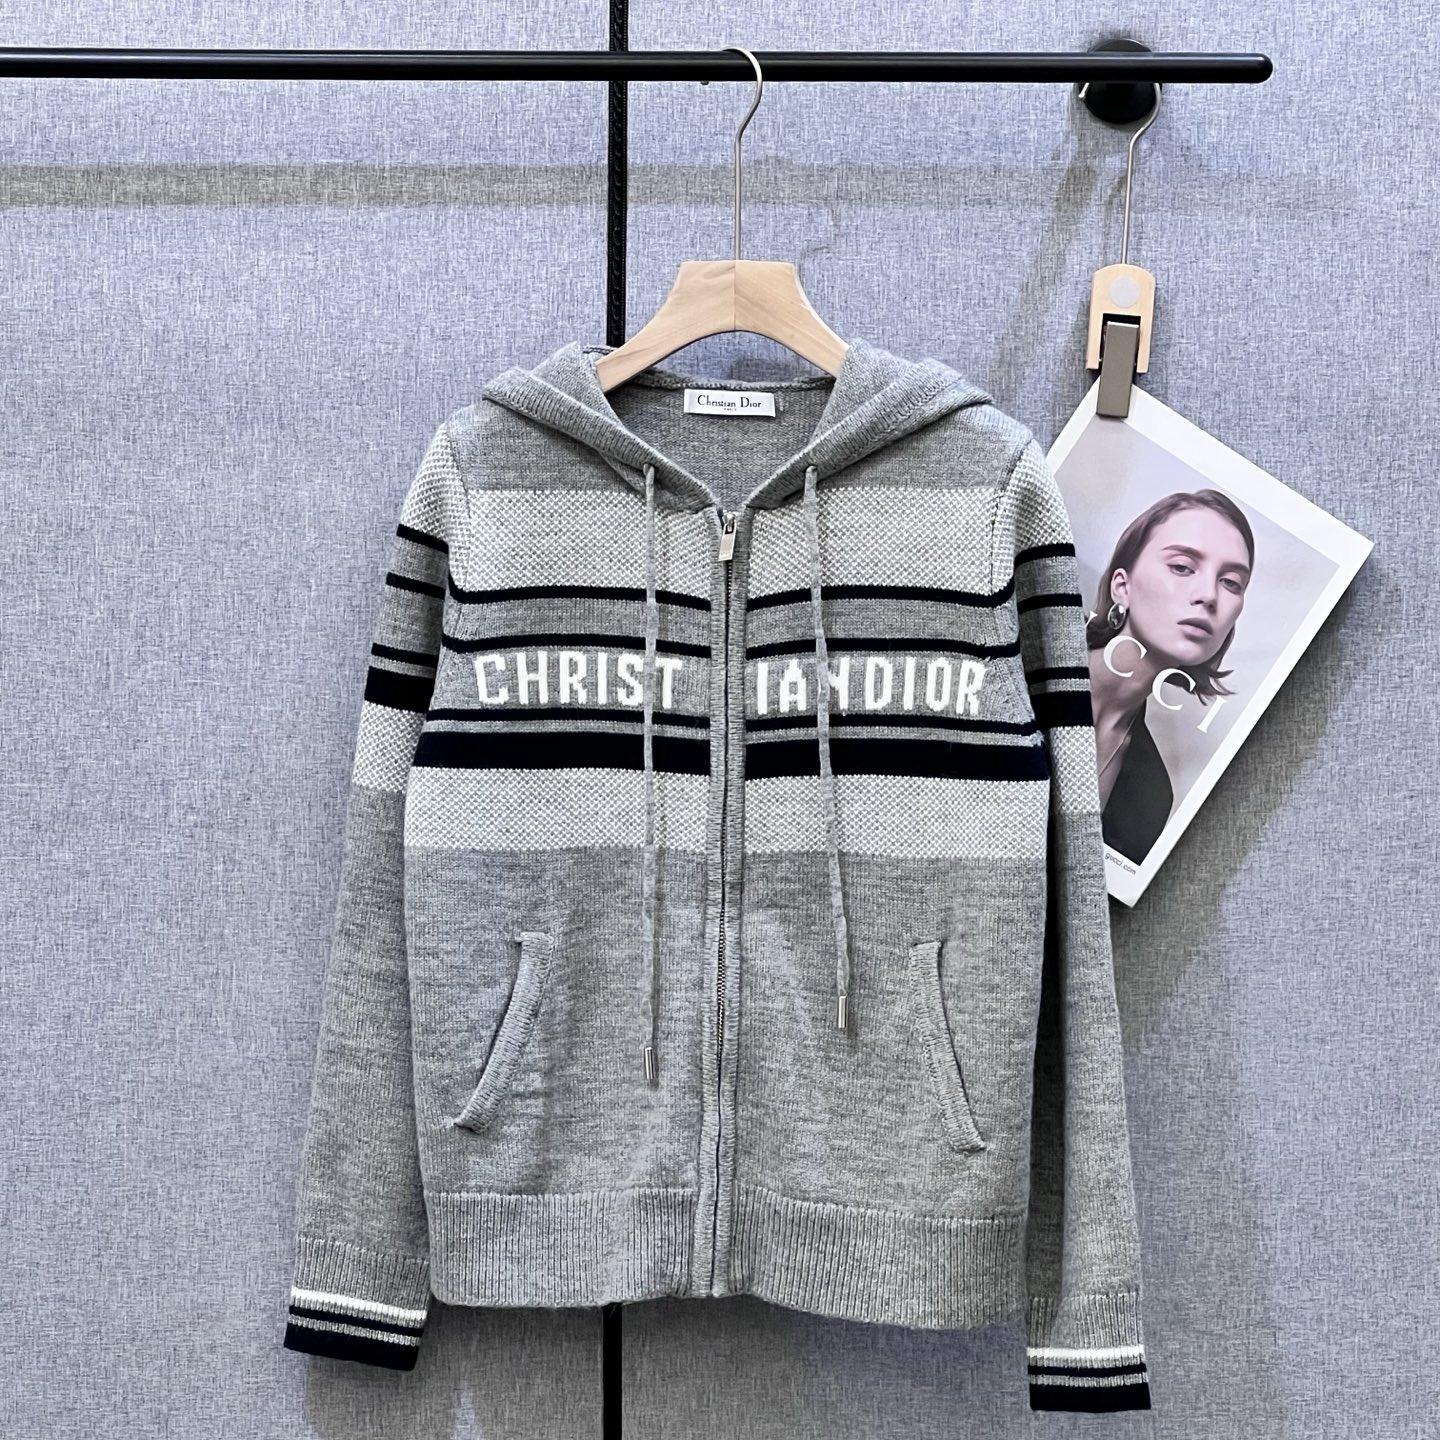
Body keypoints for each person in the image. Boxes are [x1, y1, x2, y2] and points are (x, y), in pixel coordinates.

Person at [1084, 489, 1255, 864]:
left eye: (1231, 582)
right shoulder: (1017, 654)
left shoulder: (1151, 798)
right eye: (1182, 567)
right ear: (1122, 586)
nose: (1209, 595)